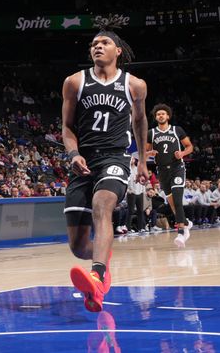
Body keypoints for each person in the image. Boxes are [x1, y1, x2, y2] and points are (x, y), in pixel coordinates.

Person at [61, 25, 149, 312]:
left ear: (118, 51)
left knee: (103, 204)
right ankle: (101, 264)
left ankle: (97, 273)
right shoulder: (74, 82)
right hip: (83, 161)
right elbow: (67, 127)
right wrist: (73, 154)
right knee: (77, 246)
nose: (97, 46)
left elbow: (139, 122)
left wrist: (143, 161)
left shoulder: (134, 84)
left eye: (104, 42)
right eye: (93, 43)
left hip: (114, 158)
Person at [146, 104, 194, 247]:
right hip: (162, 171)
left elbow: (189, 146)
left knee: (178, 200)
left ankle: (181, 232)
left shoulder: (176, 130)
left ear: (168, 116)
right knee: (172, 204)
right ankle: (185, 222)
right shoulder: (151, 133)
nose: (161, 115)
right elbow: (145, 151)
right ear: (155, 118)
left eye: (163, 113)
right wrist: (149, 153)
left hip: (177, 168)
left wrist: (183, 153)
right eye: (158, 114)